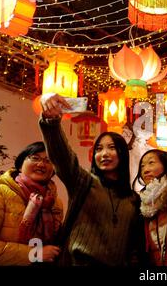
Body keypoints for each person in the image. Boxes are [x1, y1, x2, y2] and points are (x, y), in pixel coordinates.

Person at [39, 93, 146, 266]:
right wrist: (51, 123)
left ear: (123, 155)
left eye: (111, 148)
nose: (104, 154)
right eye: (99, 149)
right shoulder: (84, 182)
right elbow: (62, 157)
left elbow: (133, 248)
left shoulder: (133, 200)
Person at [0, 142, 63, 266]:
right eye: (35, 158)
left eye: (48, 160)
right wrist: (35, 254)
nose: (41, 164)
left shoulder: (54, 203)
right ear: (20, 165)